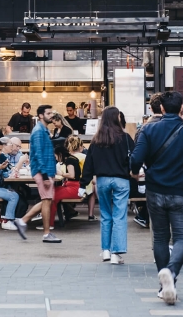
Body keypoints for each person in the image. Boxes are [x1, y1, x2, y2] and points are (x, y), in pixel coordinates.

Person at [130, 91, 183, 306]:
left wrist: (136, 172)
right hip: (182, 191)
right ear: (182, 108)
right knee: (181, 238)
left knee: (160, 238)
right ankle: (171, 273)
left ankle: (164, 285)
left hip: (155, 191)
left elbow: (135, 159)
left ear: (161, 109)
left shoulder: (148, 129)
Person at [80, 106, 133, 264]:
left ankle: (105, 251)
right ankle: (116, 253)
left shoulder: (97, 139)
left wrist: (83, 184)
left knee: (105, 215)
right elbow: (134, 158)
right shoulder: (125, 138)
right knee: (119, 216)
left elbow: (89, 163)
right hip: (121, 181)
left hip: (102, 181)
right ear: (117, 118)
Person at [14, 105, 60, 243]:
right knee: (47, 201)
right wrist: (45, 176)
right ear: (41, 115)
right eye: (48, 113)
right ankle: (46, 234)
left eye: (52, 112)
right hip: (42, 171)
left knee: (47, 200)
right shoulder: (39, 131)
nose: (51, 115)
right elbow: (39, 155)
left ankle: (22, 222)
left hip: (47, 170)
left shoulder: (44, 130)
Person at [132, 93, 164, 229]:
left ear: (150, 108)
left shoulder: (143, 129)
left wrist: (135, 171)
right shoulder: (175, 127)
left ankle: (145, 218)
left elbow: (137, 155)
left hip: (149, 173)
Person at [67, 136, 96, 220]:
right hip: (87, 183)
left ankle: (70, 211)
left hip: (74, 184)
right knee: (91, 194)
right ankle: (91, 215)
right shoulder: (85, 156)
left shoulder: (70, 158)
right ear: (80, 146)